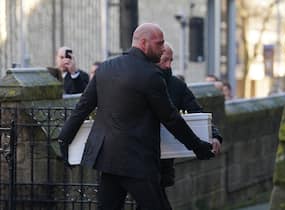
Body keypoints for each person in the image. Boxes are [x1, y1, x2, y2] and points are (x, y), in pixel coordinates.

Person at [58, 23, 215, 210]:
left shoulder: (106, 68)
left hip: (108, 160)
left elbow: (82, 108)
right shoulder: (150, 75)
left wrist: (64, 139)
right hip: (137, 162)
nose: (162, 48)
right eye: (159, 44)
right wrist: (199, 148)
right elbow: (171, 118)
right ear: (143, 43)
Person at [140, 43, 223, 210]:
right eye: (165, 60)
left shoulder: (177, 86)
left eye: (171, 60)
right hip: (138, 157)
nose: (169, 65)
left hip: (162, 162)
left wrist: (214, 135)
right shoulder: (138, 82)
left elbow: (197, 112)